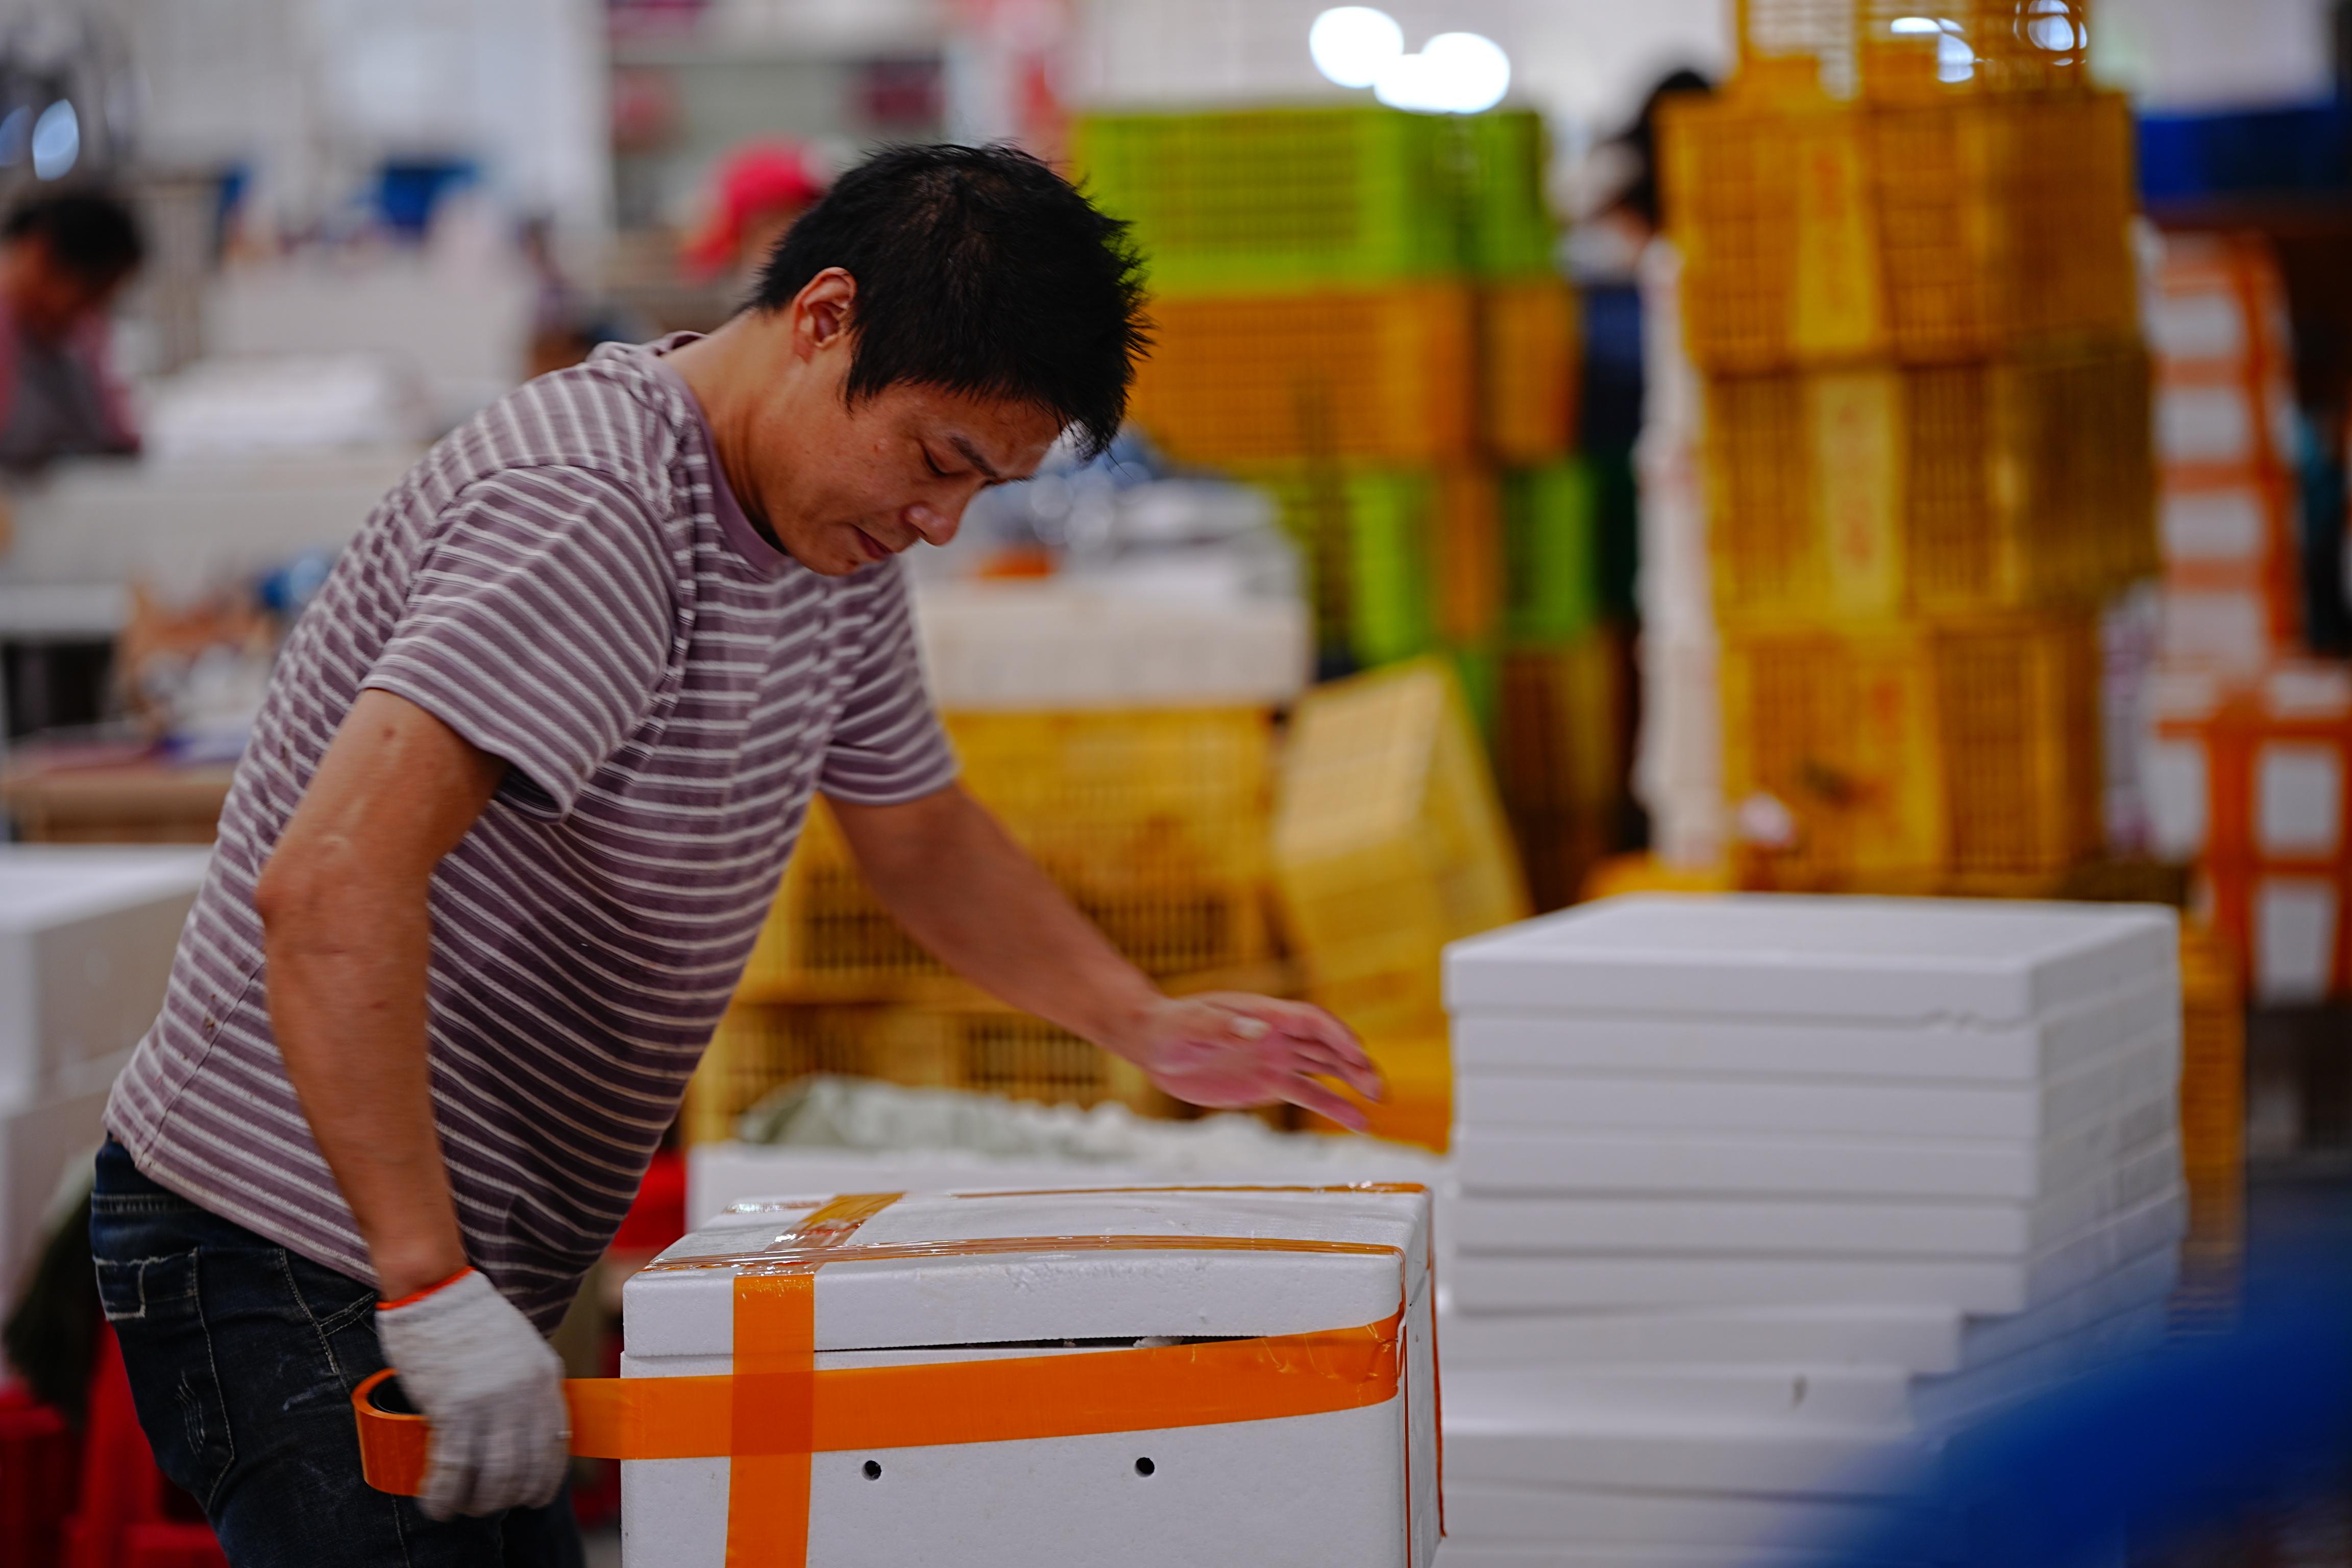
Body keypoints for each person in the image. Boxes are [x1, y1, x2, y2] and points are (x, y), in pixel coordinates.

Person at [90, 144, 1381, 1567]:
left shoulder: (827, 533)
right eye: (938, 460)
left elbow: (919, 832)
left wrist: (1142, 1021)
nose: (939, 521)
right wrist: (426, 1279)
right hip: (291, 1230)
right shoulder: (594, 508)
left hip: (436, 1237)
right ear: (826, 319)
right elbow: (330, 884)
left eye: (983, 488)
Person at [0, 188, 142, 470]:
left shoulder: (83, 337)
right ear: (40, 256)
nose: (90, 310)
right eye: (88, 294)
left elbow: (119, 440)